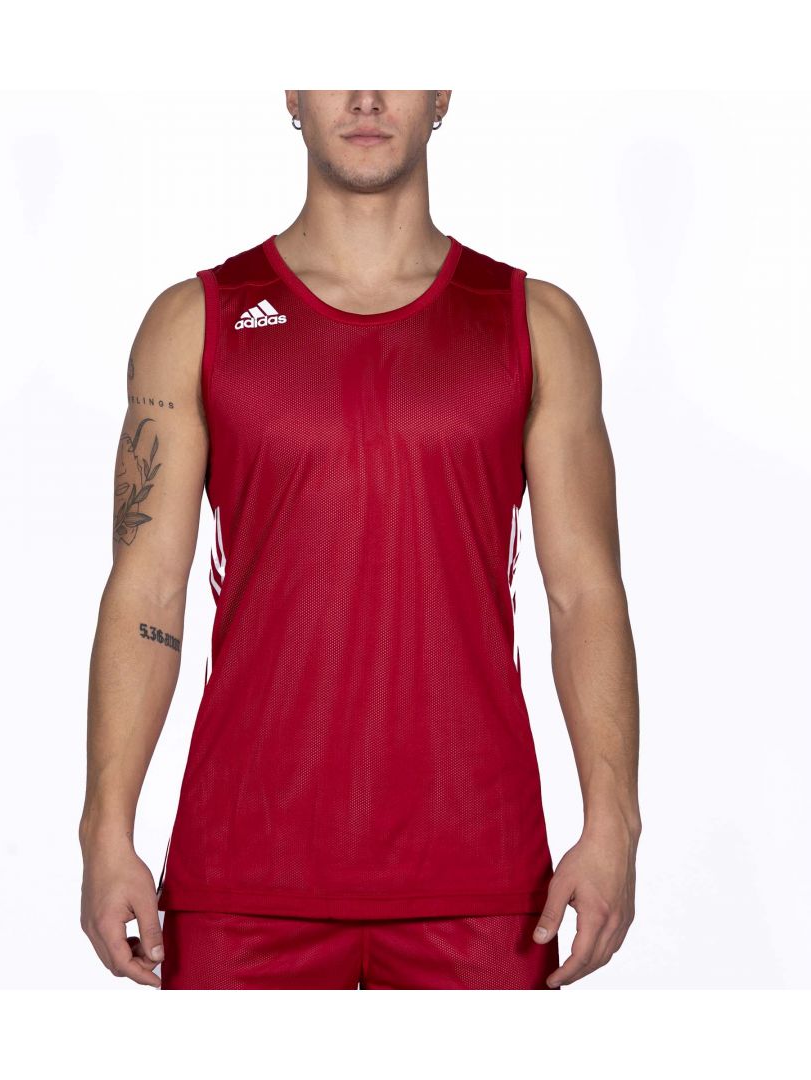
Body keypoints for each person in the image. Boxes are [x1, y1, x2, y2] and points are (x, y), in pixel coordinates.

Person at [79, 90, 641, 990]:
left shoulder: (535, 324)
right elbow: (148, 593)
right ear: (292, 95)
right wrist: (104, 832)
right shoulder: (197, 321)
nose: (368, 96)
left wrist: (614, 823)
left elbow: (585, 596)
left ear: (444, 94)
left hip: (482, 884)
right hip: (243, 880)